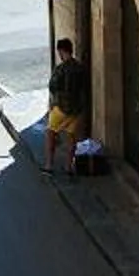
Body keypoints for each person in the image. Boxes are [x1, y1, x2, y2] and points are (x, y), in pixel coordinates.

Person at [46, 38, 89, 174]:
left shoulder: (61, 69)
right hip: (76, 110)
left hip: (62, 108)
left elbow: (52, 87)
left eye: (59, 51)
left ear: (61, 51)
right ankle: (69, 166)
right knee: (71, 137)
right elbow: (84, 88)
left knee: (51, 133)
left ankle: (49, 165)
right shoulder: (80, 67)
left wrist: (54, 103)